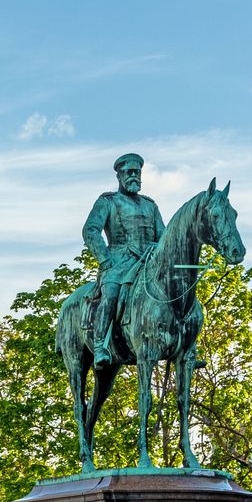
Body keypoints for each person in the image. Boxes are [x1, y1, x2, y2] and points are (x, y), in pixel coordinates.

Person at [82, 152, 165, 368]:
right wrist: (104, 260)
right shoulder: (108, 201)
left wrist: (160, 247)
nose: (134, 176)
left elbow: (163, 236)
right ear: (119, 175)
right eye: (129, 172)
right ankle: (101, 345)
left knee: (175, 290)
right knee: (110, 295)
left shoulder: (150, 205)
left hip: (149, 263)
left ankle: (186, 345)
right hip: (119, 262)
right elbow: (90, 230)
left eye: (137, 172)